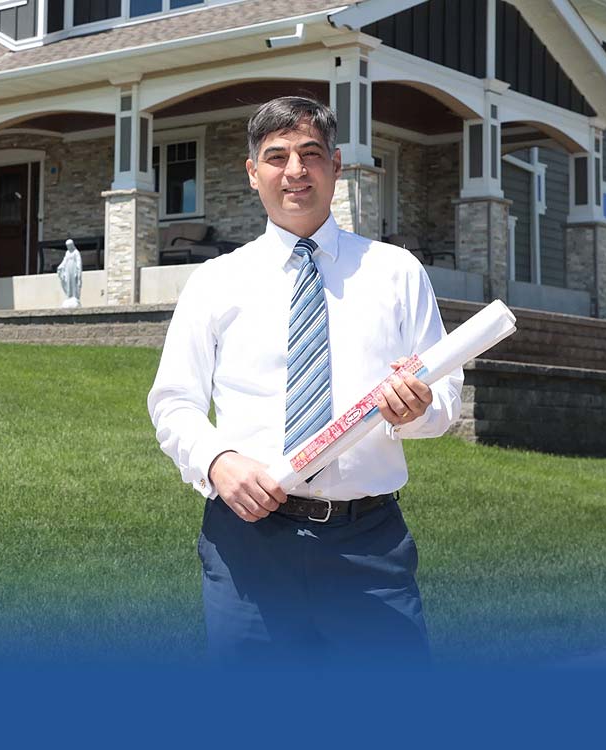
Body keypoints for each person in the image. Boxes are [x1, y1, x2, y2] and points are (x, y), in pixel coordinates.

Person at [146, 96, 463, 665]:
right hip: (249, 543)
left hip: (369, 546)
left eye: (310, 154)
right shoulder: (216, 282)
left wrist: (419, 411)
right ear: (252, 173)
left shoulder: (396, 272)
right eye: (276, 157)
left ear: (336, 166)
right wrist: (217, 461)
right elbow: (174, 402)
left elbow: (445, 395)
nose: (295, 171)